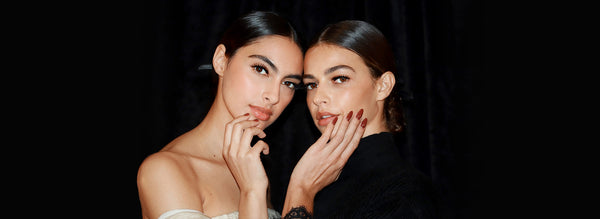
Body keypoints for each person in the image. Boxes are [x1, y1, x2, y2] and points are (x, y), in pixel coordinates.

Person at [137, 11, 366, 219]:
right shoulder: (165, 170)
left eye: (288, 83)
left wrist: (299, 188)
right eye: (261, 69)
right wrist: (259, 190)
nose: (273, 96)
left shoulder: (251, 165)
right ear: (220, 61)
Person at [300, 20, 441, 218]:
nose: (318, 98)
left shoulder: (404, 194)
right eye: (311, 84)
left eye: (339, 78)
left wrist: (299, 192)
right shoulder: (318, 179)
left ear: (383, 86)